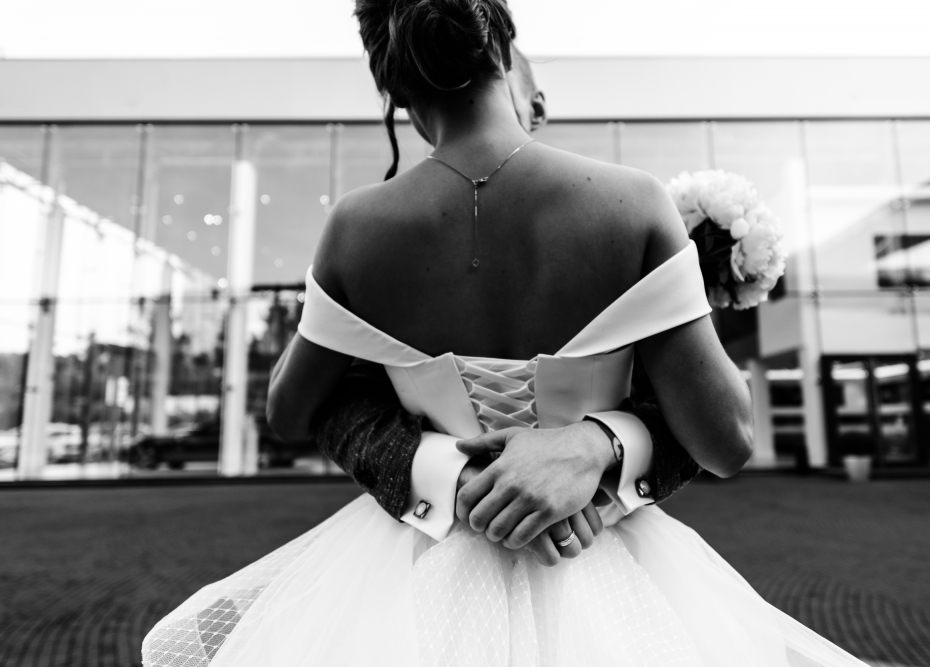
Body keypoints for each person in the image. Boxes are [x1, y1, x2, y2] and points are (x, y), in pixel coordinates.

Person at [143, 2, 870, 665]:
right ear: (501, 47)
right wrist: (610, 441)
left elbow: (290, 409)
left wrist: (446, 470)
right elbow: (726, 438)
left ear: (393, 92)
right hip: (602, 569)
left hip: (410, 574)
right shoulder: (633, 205)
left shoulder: (357, 227)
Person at [312, 43, 703, 567]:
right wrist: (453, 475)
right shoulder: (370, 234)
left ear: (535, 106)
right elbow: (339, 397)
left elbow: (701, 417)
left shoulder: (628, 216)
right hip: (444, 546)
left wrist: (596, 445)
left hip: (586, 541)